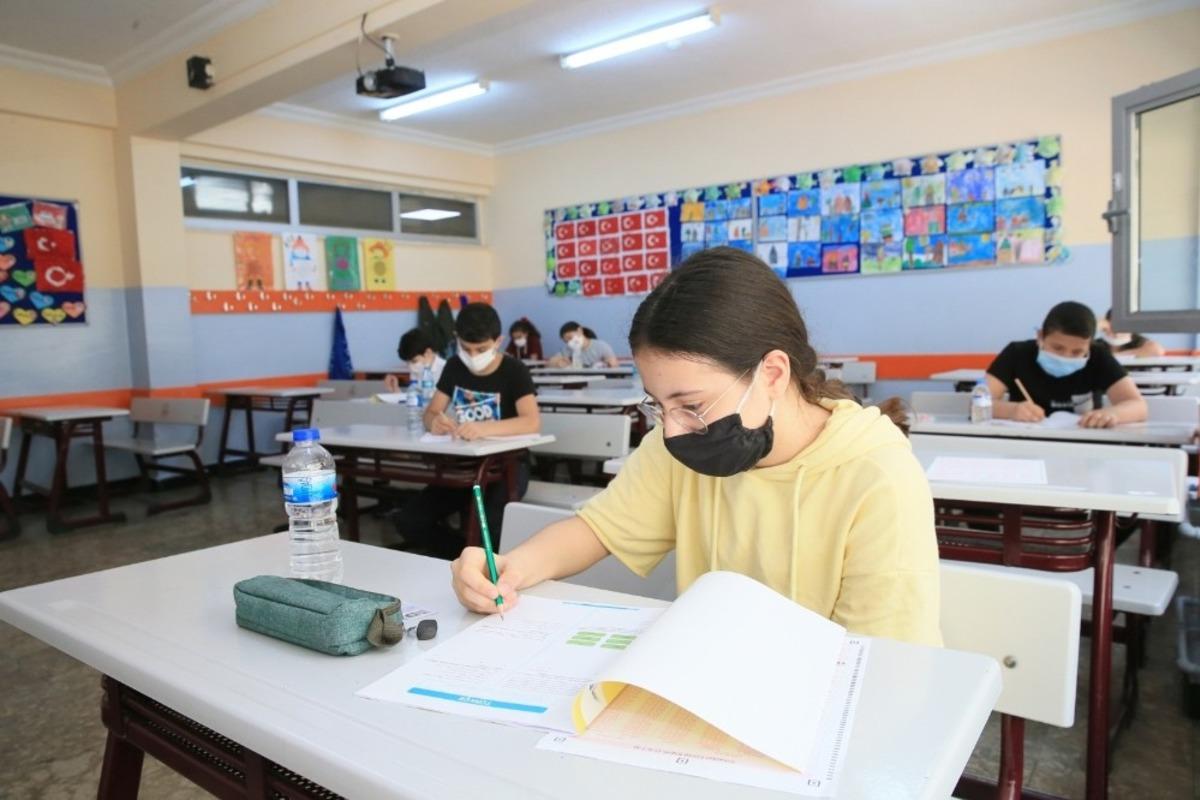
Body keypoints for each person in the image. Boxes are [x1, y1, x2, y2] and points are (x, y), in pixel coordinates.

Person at [450, 247, 942, 647]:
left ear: (771, 373)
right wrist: (507, 571)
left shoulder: (877, 477)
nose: (672, 430)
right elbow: (596, 530)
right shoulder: (680, 448)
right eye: (659, 405)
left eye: (692, 404)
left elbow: (881, 662)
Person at [394, 303, 540, 554]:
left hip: (508, 467)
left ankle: (478, 559)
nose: (473, 356)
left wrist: (484, 428)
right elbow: (430, 412)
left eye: (481, 349)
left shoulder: (515, 371)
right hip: (463, 468)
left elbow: (532, 422)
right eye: (466, 348)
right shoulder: (454, 367)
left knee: (491, 527)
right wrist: (435, 422)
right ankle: (461, 555)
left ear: (498, 341)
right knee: (410, 519)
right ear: (456, 340)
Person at [985, 301, 1148, 428]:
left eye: (1077, 352)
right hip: (1026, 443)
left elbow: (1138, 405)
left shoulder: (1099, 356)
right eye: (1057, 348)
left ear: (1089, 344)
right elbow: (978, 403)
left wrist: (1113, 414)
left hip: (1084, 445)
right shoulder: (1017, 353)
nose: (1066, 356)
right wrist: (1011, 410)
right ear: (1040, 336)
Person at [384, 329, 446, 393]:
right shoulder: (418, 370)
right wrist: (396, 391)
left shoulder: (446, 370)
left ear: (428, 352)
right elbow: (413, 398)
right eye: (407, 362)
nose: (410, 366)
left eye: (414, 361)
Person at [1096, 308, 1165, 358]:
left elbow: (1157, 350)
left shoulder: (1139, 342)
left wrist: (1116, 356)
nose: (1117, 334)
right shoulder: (1097, 345)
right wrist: (1101, 324)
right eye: (1113, 327)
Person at [546, 321, 621, 368]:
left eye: (570, 338)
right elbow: (549, 363)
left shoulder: (601, 346)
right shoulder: (567, 350)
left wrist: (607, 364)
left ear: (580, 330)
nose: (569, 343)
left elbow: (614, 364)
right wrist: (559, 362)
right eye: (566, 341)